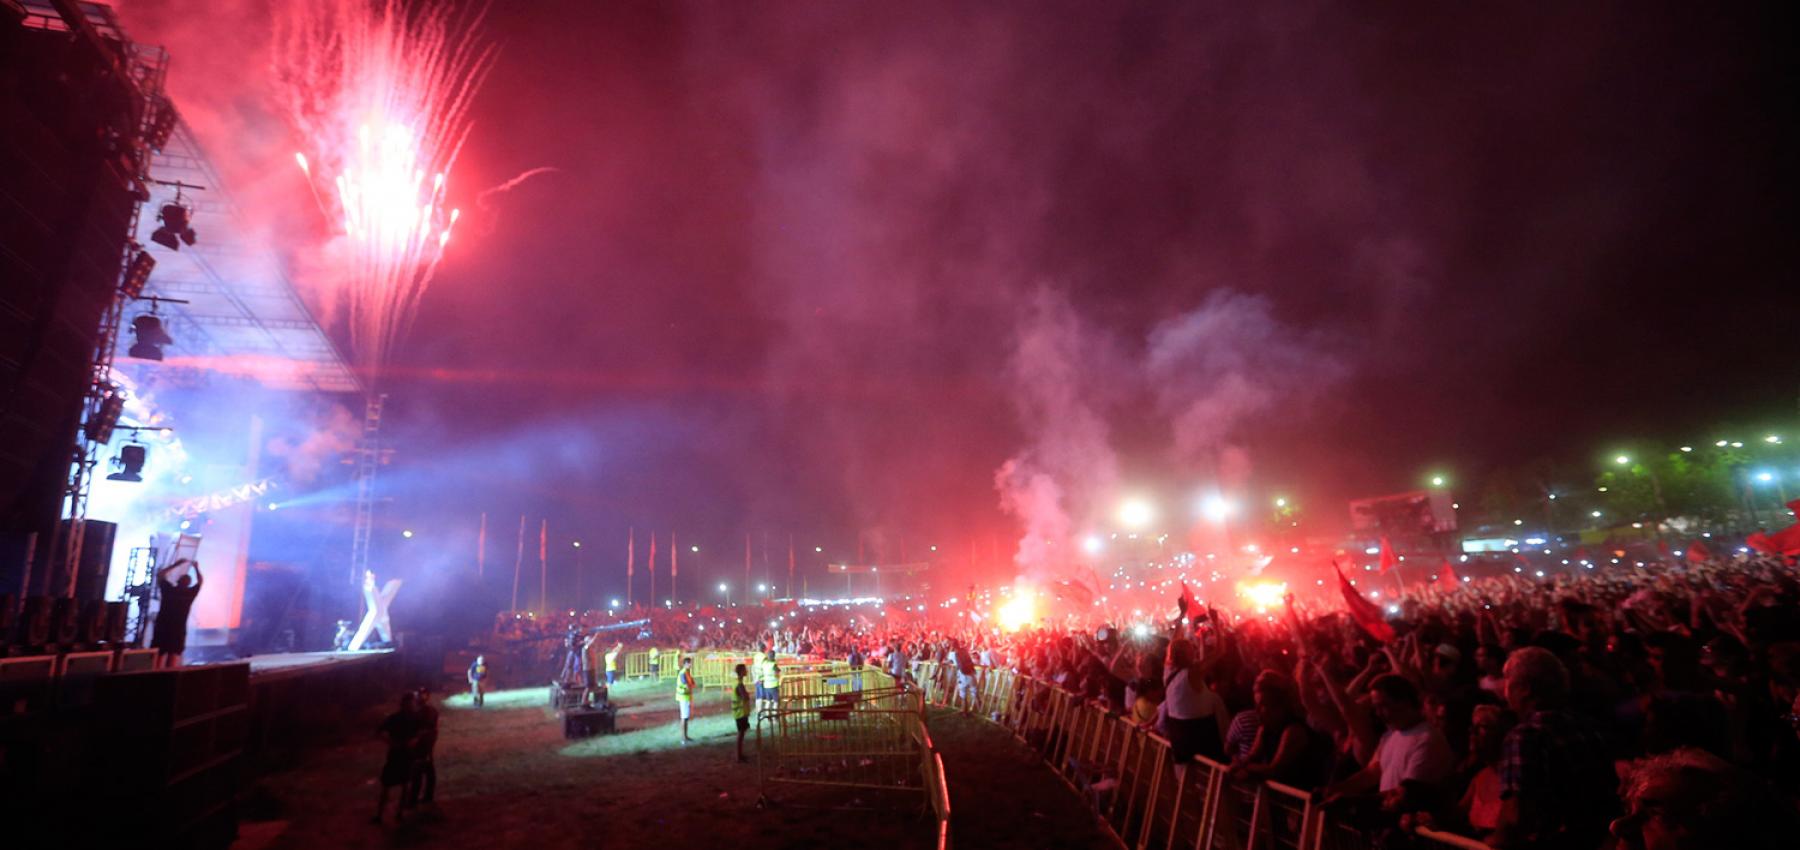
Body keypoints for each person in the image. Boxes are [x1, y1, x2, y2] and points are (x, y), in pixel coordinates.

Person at [1490, 646, 1615, 849]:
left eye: (1507, 679)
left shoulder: (1525, 736)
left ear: (1526, 688)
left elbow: (1515, 816)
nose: (1504, 687)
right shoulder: (1588, 728)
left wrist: (1493, 843)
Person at [1318, 675, 1454, 815]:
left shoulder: (1427, 740)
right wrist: (1334, 790)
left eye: (1383, 706)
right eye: (1375, 708)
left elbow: (1407, 794)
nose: (1378, 714)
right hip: (1386, 816)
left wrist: (1351, 802)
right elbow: (1373, 772)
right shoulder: (1390, 734)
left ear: (1404, 701)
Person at [374, 692, 419, 824]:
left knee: (405, 785)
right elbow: (379, 732)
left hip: (407, 755)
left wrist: (414, 741)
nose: (411, 705)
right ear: (403, 704)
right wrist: (390, 742)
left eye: (412, 703)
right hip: (395, 755)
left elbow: (420, 733)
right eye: (409, 703)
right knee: (387, 785)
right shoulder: (395, 718)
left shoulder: (415, 718)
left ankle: (399, 813)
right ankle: (380, 815)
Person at [152, 558, 203, 667]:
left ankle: (156, 675)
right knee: (172, 656)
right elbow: (200, 582)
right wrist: (196, 568)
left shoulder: (169, 590)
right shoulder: (189, 594)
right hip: (177, 629)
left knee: (160, 656)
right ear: (189, 584)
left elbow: (160, 575)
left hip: (163, 626)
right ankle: (169, 675)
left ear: (178, 581)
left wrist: (176, 565)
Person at [407, 687, 440, 808]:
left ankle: (415, 799)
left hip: (423, 745)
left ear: (427, 696)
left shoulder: (428, 711)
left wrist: (417, 739)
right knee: (427, 770)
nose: (419, 696)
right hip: (423, 744)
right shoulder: (419, 711)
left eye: (422, 694)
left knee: (419, 771)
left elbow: (429, 728)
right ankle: (426, 797)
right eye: (418, 694)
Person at [732, 662, 752, 763]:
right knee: (741, 734)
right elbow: (745, 697)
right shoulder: (739, 684)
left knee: (741, 734)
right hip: (740, 712)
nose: (746, 671)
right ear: (741, 672)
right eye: (745, 670)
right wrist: (748, 695)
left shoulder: (737, 683)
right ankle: (738, 756)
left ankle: (739, 754)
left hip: (739, 712)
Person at [676, 654, 696, 744]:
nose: (691, 665)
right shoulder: (683, 673)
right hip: (683, 697)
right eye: (689, 663)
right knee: (684, 718)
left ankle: (685, 736)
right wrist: (690, 686)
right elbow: (687, 685)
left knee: (686, 717)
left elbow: (692, 683)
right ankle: (683, 738)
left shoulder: (687, 672)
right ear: (685, 664)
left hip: (686, 697)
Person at [756, 645, 781, 715]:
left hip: (766, 686)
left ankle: (767, 714)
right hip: (774, 686)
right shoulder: (773, 665)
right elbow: (778, 671)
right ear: (774, 656)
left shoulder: (764, 664)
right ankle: (774, 714)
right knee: (776, 701)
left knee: (768, 701)